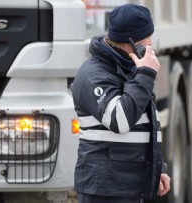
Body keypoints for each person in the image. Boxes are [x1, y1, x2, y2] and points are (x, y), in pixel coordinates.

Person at [70, 3, 171, 203]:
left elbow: (146, 122)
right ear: (132, 41)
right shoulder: (94, 74)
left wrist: (156, 169)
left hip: (129, 187)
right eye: (147, 36)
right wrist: (145, 74)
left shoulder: (132, 69)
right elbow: (120, 120)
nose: (151, 42)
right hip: (106, 190)